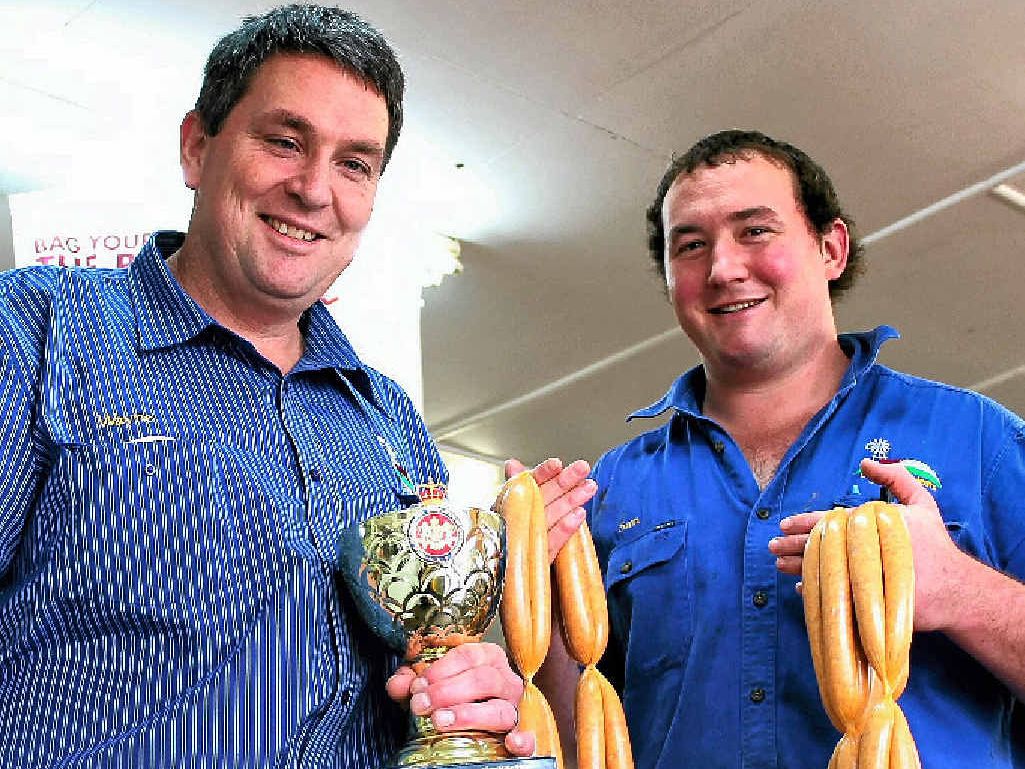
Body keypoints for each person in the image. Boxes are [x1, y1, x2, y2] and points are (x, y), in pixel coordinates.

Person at [0, 5, 595, 767]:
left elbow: (413, 677)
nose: (315, 189)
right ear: (196, 146)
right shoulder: (40, 326)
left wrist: (464, 695)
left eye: (355, 164)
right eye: (284, 141)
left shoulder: (388, 418)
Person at [537, 129, 1025, 768]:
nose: (723, 268)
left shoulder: (979, 439)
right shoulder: (612, 489)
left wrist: (957, 589)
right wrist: (539, 605)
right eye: (691, 245)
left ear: (831, 248)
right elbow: (580, 745)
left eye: (755, 231)